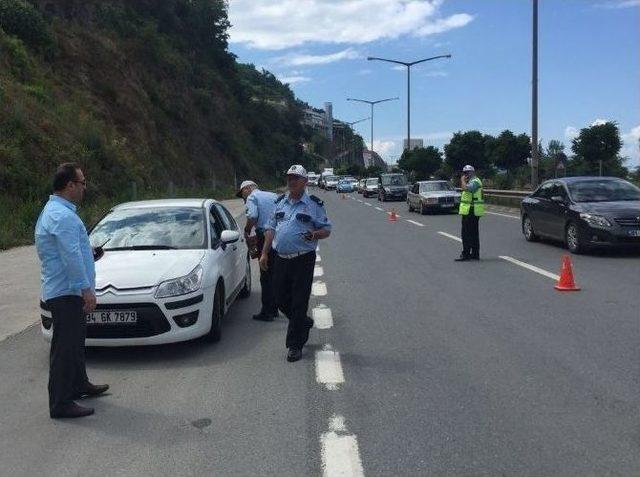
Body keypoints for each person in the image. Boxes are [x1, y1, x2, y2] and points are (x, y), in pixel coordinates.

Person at [35, 163, 109, 419]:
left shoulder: (60, 212)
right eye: (83, 182)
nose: (85, 187)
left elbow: (73, 250)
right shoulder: (62, 216)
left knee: (75, 344)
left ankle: (79, 384)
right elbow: (69, 256)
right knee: (64, 348)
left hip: (68, 291)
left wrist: (90, 253)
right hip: (66, 292)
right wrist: (85, 289)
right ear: (70, 185)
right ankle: (60, 403)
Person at [259, 165, 332, 362]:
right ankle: (303, 322)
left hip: (303, 259)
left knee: (299, 301)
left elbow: (327, 229)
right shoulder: (280, 202)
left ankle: (294, 345)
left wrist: (315, 234)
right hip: (280, 258)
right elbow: (270, 228)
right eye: (289, 178)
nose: (291, 182)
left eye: (296, 178)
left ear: (305, 181)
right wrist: (264, 253)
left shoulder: (313, 204)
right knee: (279, 298)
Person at [236, 180, 279, 321]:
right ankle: (274, 308)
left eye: (242, 193)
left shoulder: (252, 198)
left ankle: (267, 312)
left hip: (264, 236)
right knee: (274, 274)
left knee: (265, 274)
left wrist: (247, 229)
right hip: (279, 236)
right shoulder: (273, 196)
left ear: (248, 189)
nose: (243, 198)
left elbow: (253, 216)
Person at [455, 164, 485, 261]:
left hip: (472, 210)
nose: (465, 175)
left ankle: (466, 254)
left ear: (472, 172)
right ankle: (474, 254)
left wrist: (462, 180)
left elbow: (467, 189)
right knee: (473, 233)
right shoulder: (471, 181)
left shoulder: (475, 182)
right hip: (470, 210)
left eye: (467, 173)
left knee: (467, 233)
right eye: (464, 173)